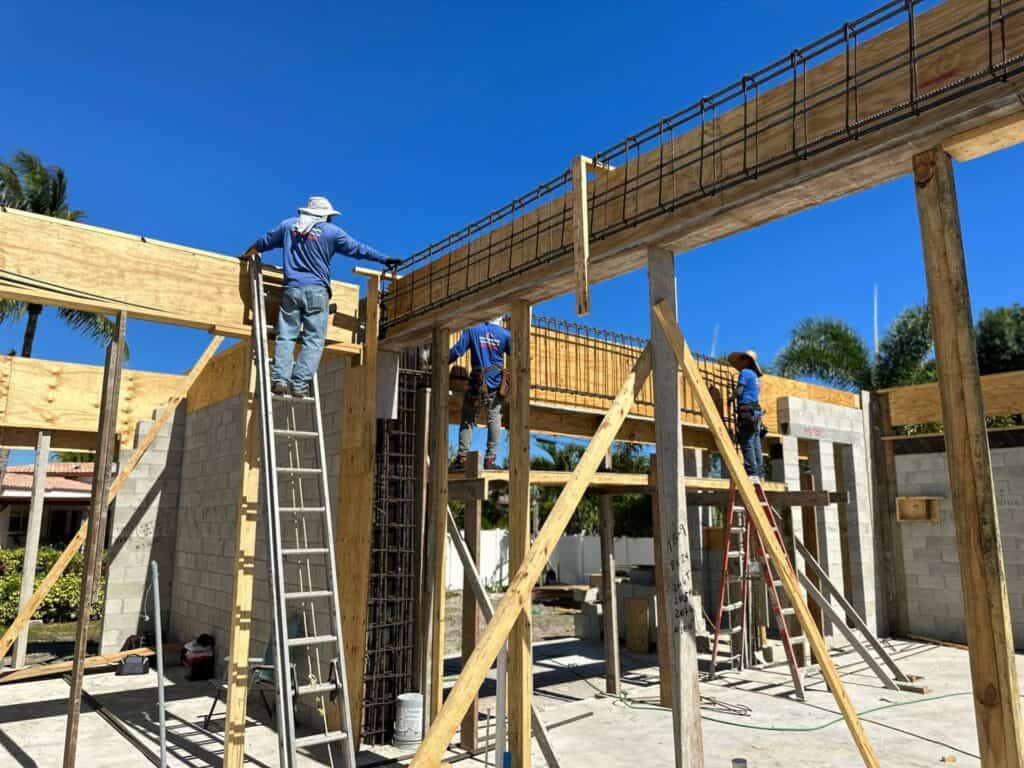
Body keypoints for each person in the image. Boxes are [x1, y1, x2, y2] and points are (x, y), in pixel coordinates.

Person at [243, 196, 400, 397]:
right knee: (314, 340)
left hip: (292, 290)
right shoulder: (332, 233)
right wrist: (384, 259)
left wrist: (247, 254)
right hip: (317, 292)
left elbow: (263, 242)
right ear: (324, 215)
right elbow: (359, 249)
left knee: (286, 336)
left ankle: (280, 380)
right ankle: (299, 384)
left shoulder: (289, 226)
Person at [449, 318, 511, 470]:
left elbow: (457, 351)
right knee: (494, 419)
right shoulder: (505, 335)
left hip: (477, 384)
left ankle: (462, 458)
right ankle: (490, 460)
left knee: (468, 419)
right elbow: (519, 355)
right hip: (496, 386)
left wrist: (438, 359)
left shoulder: (473, 329)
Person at [728, 349, 765, 480]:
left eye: (743, 359)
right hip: (756, 412)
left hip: (747, 412)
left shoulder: (745, 373)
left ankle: (752, 474)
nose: (740, 362)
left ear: (748, 361)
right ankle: (760, 474)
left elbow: (740, 391)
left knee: (747, 443)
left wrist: (730, 398)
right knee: (756, 444)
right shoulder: (754, 377)